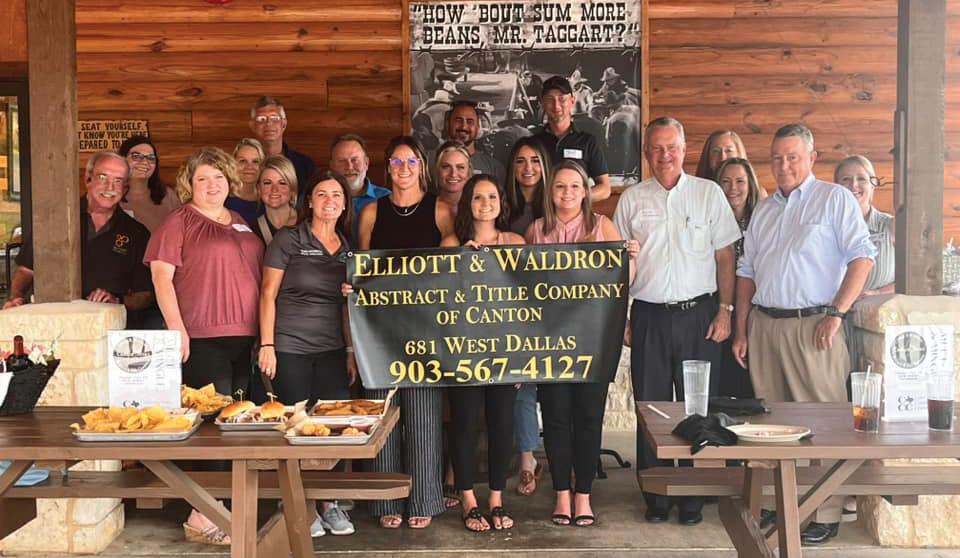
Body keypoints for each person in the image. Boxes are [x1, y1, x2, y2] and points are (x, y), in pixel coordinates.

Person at [732, 124, 875, 545]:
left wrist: (837, 312)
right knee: (771, 425)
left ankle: (825, 511)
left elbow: (862, 258)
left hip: (815, 326)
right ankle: (780, 506)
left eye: (792, 157)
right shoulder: (764, 209)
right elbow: (746, 272)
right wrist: (741, 329)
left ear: (812, 158)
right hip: (765, 326)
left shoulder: (834, 199)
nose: (783, 165)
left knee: (822, 421)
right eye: (777, 157)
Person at [614, 116, 740, 526]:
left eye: (671, 147)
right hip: (648, 315)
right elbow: (620, 265)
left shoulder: (708, 194)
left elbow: (725, 256)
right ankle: (656, 495)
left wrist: (725, 310)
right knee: (651, 407)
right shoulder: (632, 200)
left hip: (699, 315)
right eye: (656, 148)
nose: (664, 155)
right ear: (646, 153)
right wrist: (623, 316)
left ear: (684, 150)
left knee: (696, 407)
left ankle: (693, 498)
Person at [145, 147, 264, 546]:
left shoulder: (240, 221)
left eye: (218, 178)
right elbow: (161, 278)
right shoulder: (178, 221)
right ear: (189, 184)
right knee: (211, 427)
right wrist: (176, 328)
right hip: (202, 336)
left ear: (229, 181)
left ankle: (222, 508)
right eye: (202, 179)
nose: (212, 185)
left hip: (243, 336)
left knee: (234, 426)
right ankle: (201, 515)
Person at [526, 160, 637, 527]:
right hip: (549, 341)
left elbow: (623, 281)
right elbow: (517, 284)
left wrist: (630, 259)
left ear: (586, 192)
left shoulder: (602, 226)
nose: (567, 193)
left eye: (575, 186)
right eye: (560, 186)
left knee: (589, 418)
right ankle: (561, 492)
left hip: (593, 339)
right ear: (550, 191)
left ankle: (584, 495)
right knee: (556, 418)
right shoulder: (536, 230)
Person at [356, 136, 454, 529]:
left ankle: (425, 497)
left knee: (424, 416)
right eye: (396, 162)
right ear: (387, 167)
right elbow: (361, 269)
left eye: (410, 161)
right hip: (378, 329)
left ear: (421, 166)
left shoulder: (440, 210)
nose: (403, 169)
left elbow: (452, 266)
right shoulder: (371, 212)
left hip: (426, 327)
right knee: (381, 414)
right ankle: (385, 501)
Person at [259, 170, 357, 538]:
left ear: (344, 205)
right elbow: (267, 293)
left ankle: (328, 501)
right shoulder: (289, 239)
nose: (330, 201)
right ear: (310, 202)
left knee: (334, 425)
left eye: (337, 195)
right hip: (290, 346)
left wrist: (350, 350)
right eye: (322, 194)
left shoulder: (347, 248)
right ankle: (301, 505)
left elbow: (346, 308)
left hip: (331, 348)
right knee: (296, 427)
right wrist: (267, 345)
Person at [440, 174, 524, 532]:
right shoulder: (451, 243)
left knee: (502, 424)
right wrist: (463, 262)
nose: (485, 203)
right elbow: (437, 296)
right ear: (468, 203)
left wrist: (523, 358)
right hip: (463, 350)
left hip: (505, 350)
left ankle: (496, 498)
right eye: (478, 197)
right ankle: (468, 498)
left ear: (501, 203)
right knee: (465, 424)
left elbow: (527, 302)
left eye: (492, 197)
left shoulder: (516, 243)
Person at [4, 152, 155, 328]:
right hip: (54, 325)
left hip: (110, 329)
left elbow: (145, 295)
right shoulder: (56, 221)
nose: (110, 187)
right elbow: (26, 270)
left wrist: (117, 301)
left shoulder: (137, 233)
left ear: (125, 189)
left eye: (118, 180)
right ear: (88, 179)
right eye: (103, 177)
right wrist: (15, 298)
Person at [504, 136, 552, 497]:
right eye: (520, 161)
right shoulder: (504, 207)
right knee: (522, 384)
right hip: (511, 310)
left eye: (535, 160)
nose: (528, 168)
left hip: (554, 311)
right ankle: (527, 460)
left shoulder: (558, 203)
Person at [713, 157, 764, 398]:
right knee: (723, 382)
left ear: (750, 184)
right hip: (718, 307)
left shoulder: (763, 219)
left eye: (740, 181)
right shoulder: (710, 220)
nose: (733, 188)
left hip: (754, 308)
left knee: (752, 380)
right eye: (726, 181)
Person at [533, 76, 611, 202]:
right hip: (541, 212)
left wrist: (574, 197)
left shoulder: (588, 141)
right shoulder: (533, 143)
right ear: (542, 103)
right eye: (550, 100)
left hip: (577, 213)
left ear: (572, 100)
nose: (556, 106)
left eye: (562, 99)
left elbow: (605, 189)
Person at [834, 155, 894, 296]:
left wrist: (877, 293)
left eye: (861, 179)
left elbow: (915, 277)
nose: (854, 185)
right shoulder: (826, 229)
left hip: (881, 308)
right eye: (846, 179)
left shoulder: (890, 226)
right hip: (832, 308)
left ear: (873, 184)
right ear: (836, 187)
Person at [249, 96, 316, 206]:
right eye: (261, 119)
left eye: (274, 118)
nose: (268, 123)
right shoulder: (244, 165)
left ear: (284, 124)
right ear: (252, 126)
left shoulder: (304, 165)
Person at [117, 135, 181, 232]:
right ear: (123, 159)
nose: (145, 162)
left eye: (151, 158)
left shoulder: (167, 195)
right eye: (136, 156)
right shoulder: (112, 193)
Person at [441, 100, 505, 184]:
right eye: (458, 120)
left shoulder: (494, 168)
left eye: (470, 121)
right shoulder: (430, 163)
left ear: (478, 127)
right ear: (447, 124)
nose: (463, 127)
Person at [329, 133, 390, 218]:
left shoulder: (387, 198)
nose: (349, 167)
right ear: (332, 166)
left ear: (366, 163)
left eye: (355, 160)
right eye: (342, 160)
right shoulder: (323, 200)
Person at [253, 155, 298, 244]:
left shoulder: (308, 223)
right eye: (267, 183)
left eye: (282, 183)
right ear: (259, 189)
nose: (274, 190)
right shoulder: (252, 230)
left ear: (292, 188)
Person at [229, 138, 265, 225]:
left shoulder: (269, 198)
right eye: (242, 161)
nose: (249, 167)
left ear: (263, 166)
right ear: (233, 164)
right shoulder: (223, 199)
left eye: (255, 161)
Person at [435, 141, 472, 215]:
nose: (453, 174)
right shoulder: (424, 207)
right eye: (446, 167)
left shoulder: (479, 209)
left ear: (468, 172)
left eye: (460, 167)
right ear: (438, 171)